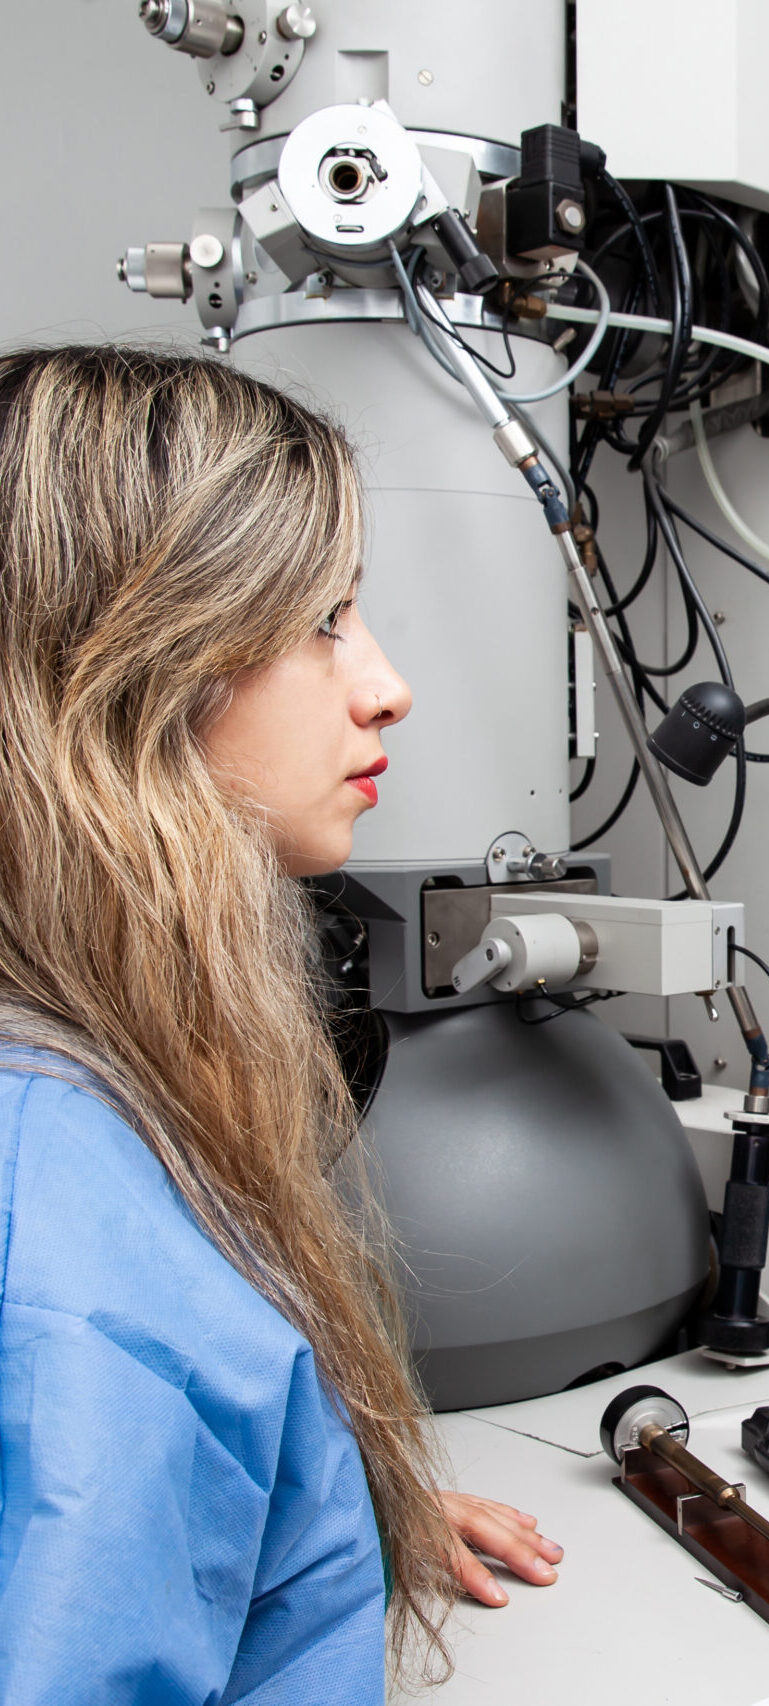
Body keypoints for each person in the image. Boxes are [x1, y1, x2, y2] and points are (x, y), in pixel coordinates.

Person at [0, 345, 561, 1701]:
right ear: (134, 664)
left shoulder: (86, 1079)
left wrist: (327, 1515)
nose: (386, 686)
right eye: (324, 619)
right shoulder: (77, 1265)